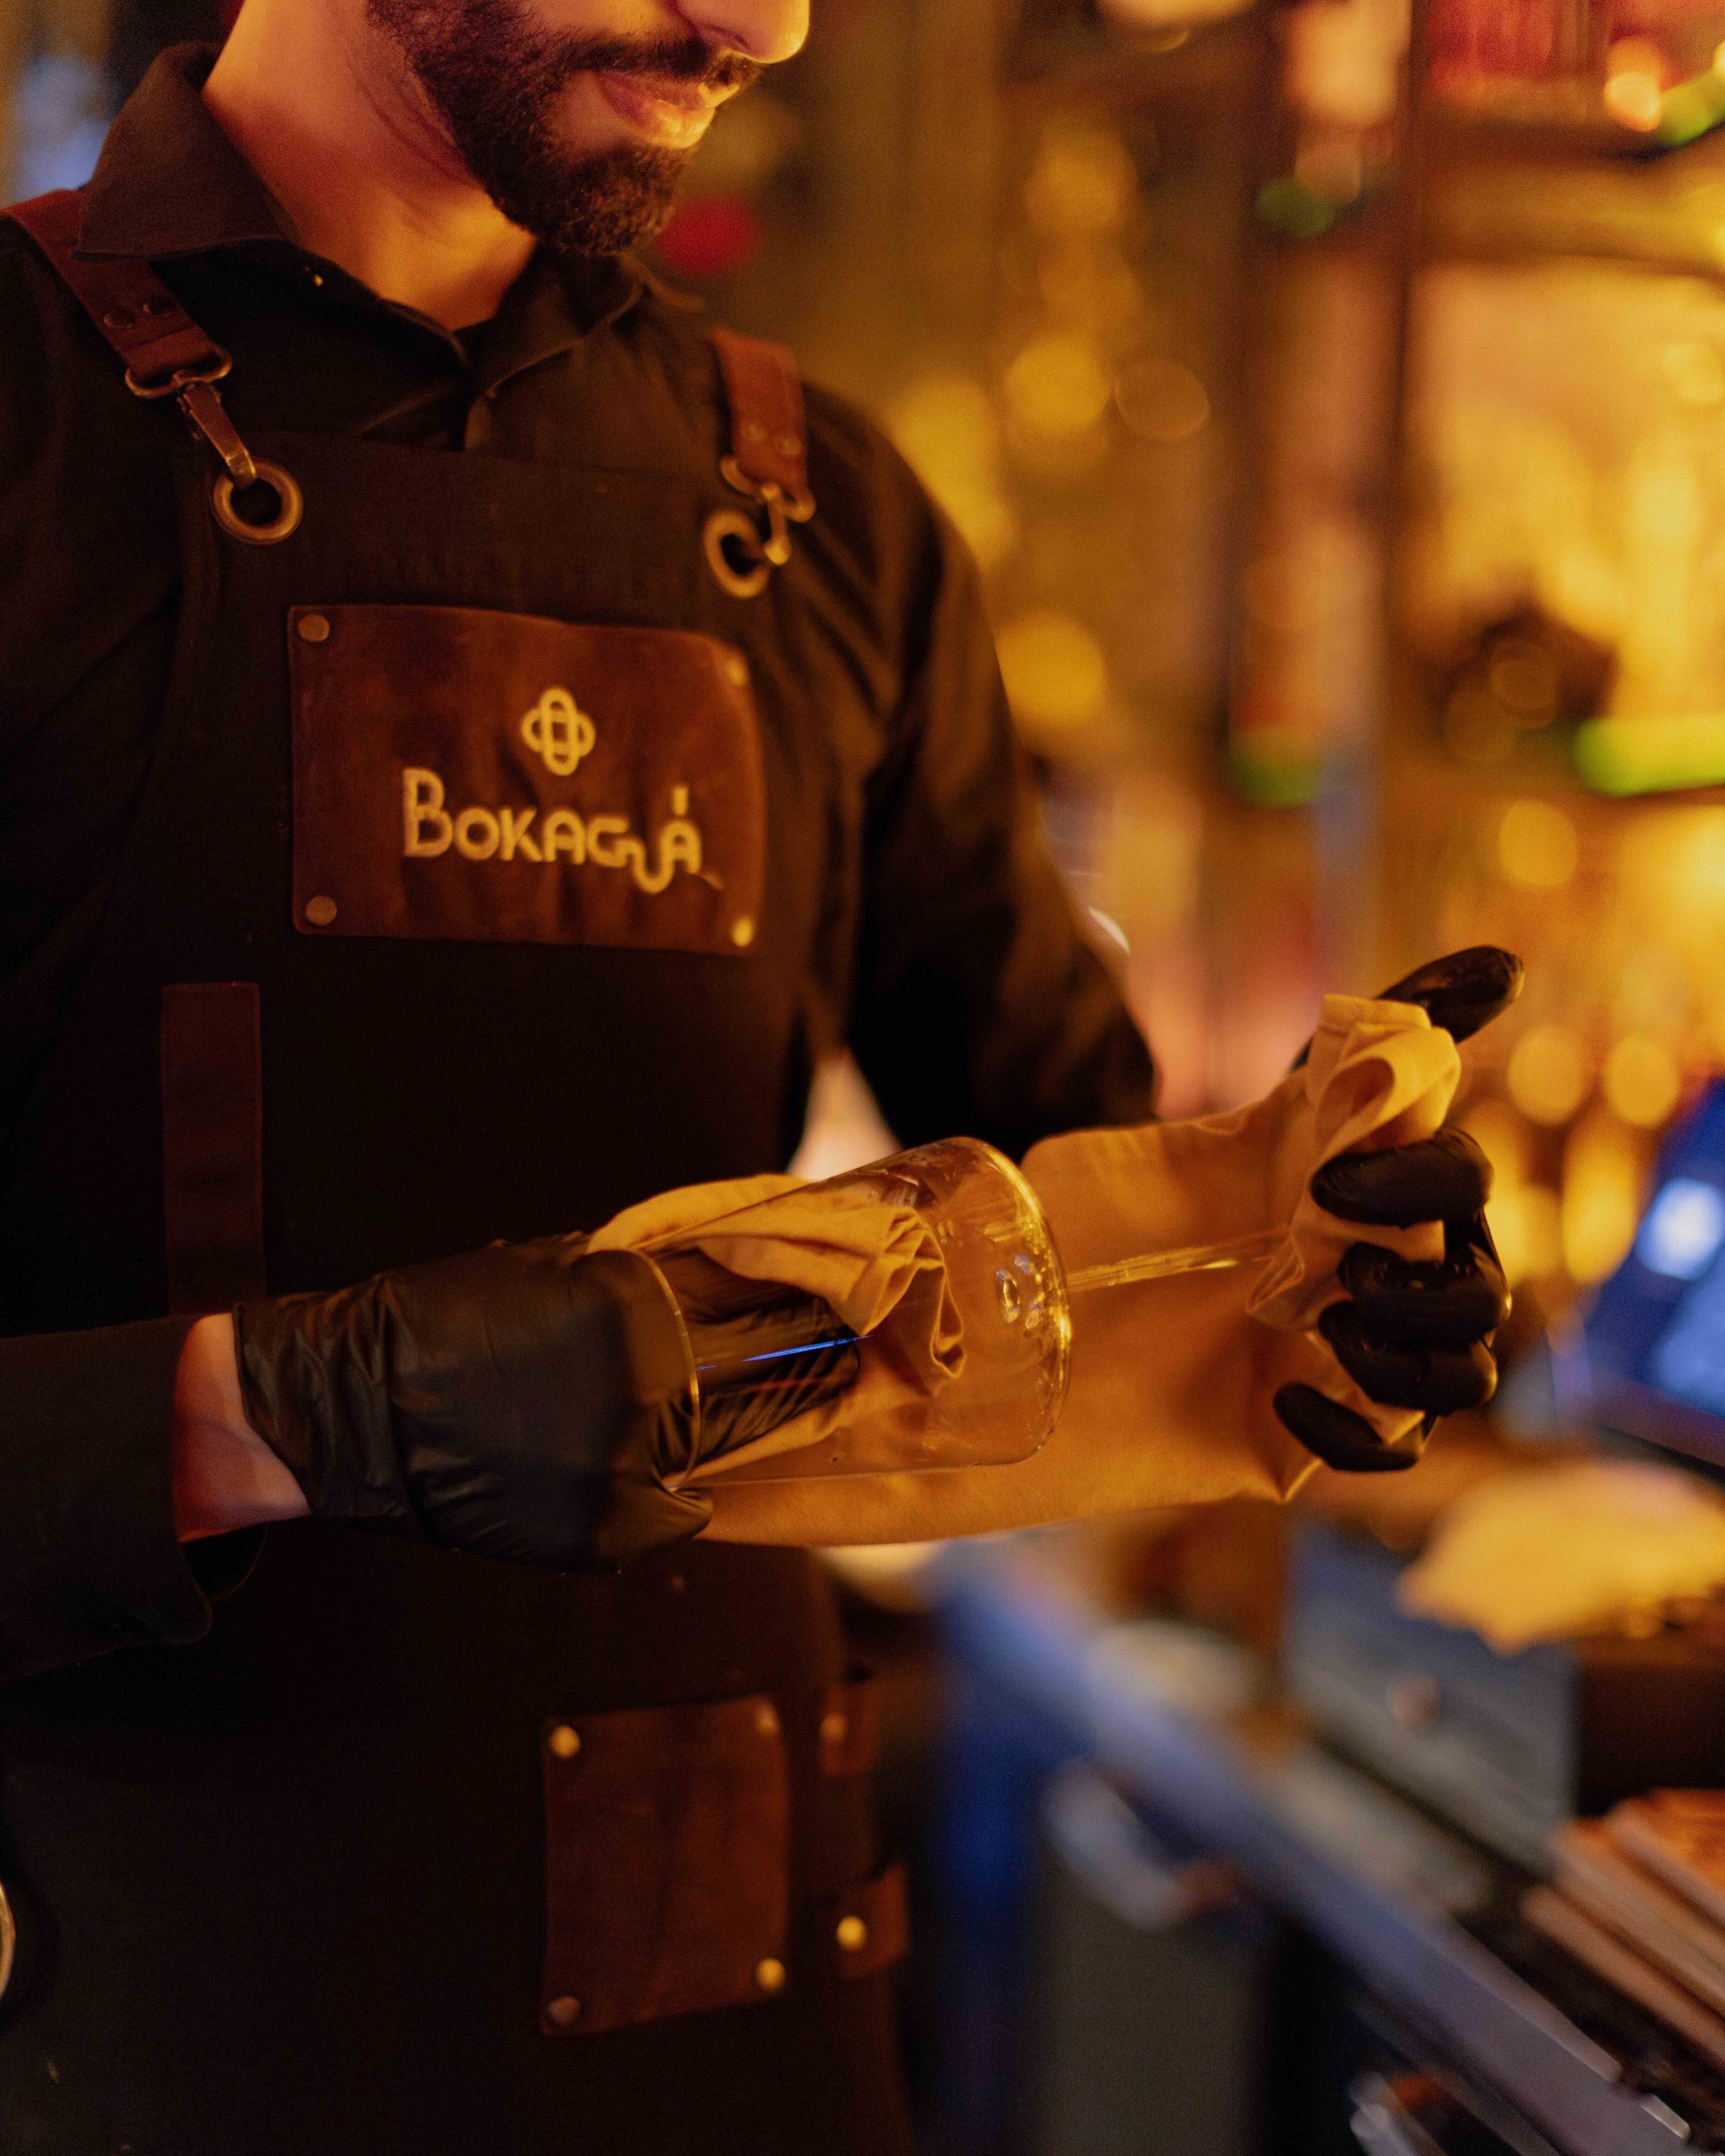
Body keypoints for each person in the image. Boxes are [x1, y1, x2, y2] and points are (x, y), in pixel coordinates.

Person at [0, 3, 1508, 2148]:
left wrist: (1320, 1251)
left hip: (717, 2007)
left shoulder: (814, 511)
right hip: (123, 2018)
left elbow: (1086, 1204)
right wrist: (278, 1420)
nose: (763, 21)